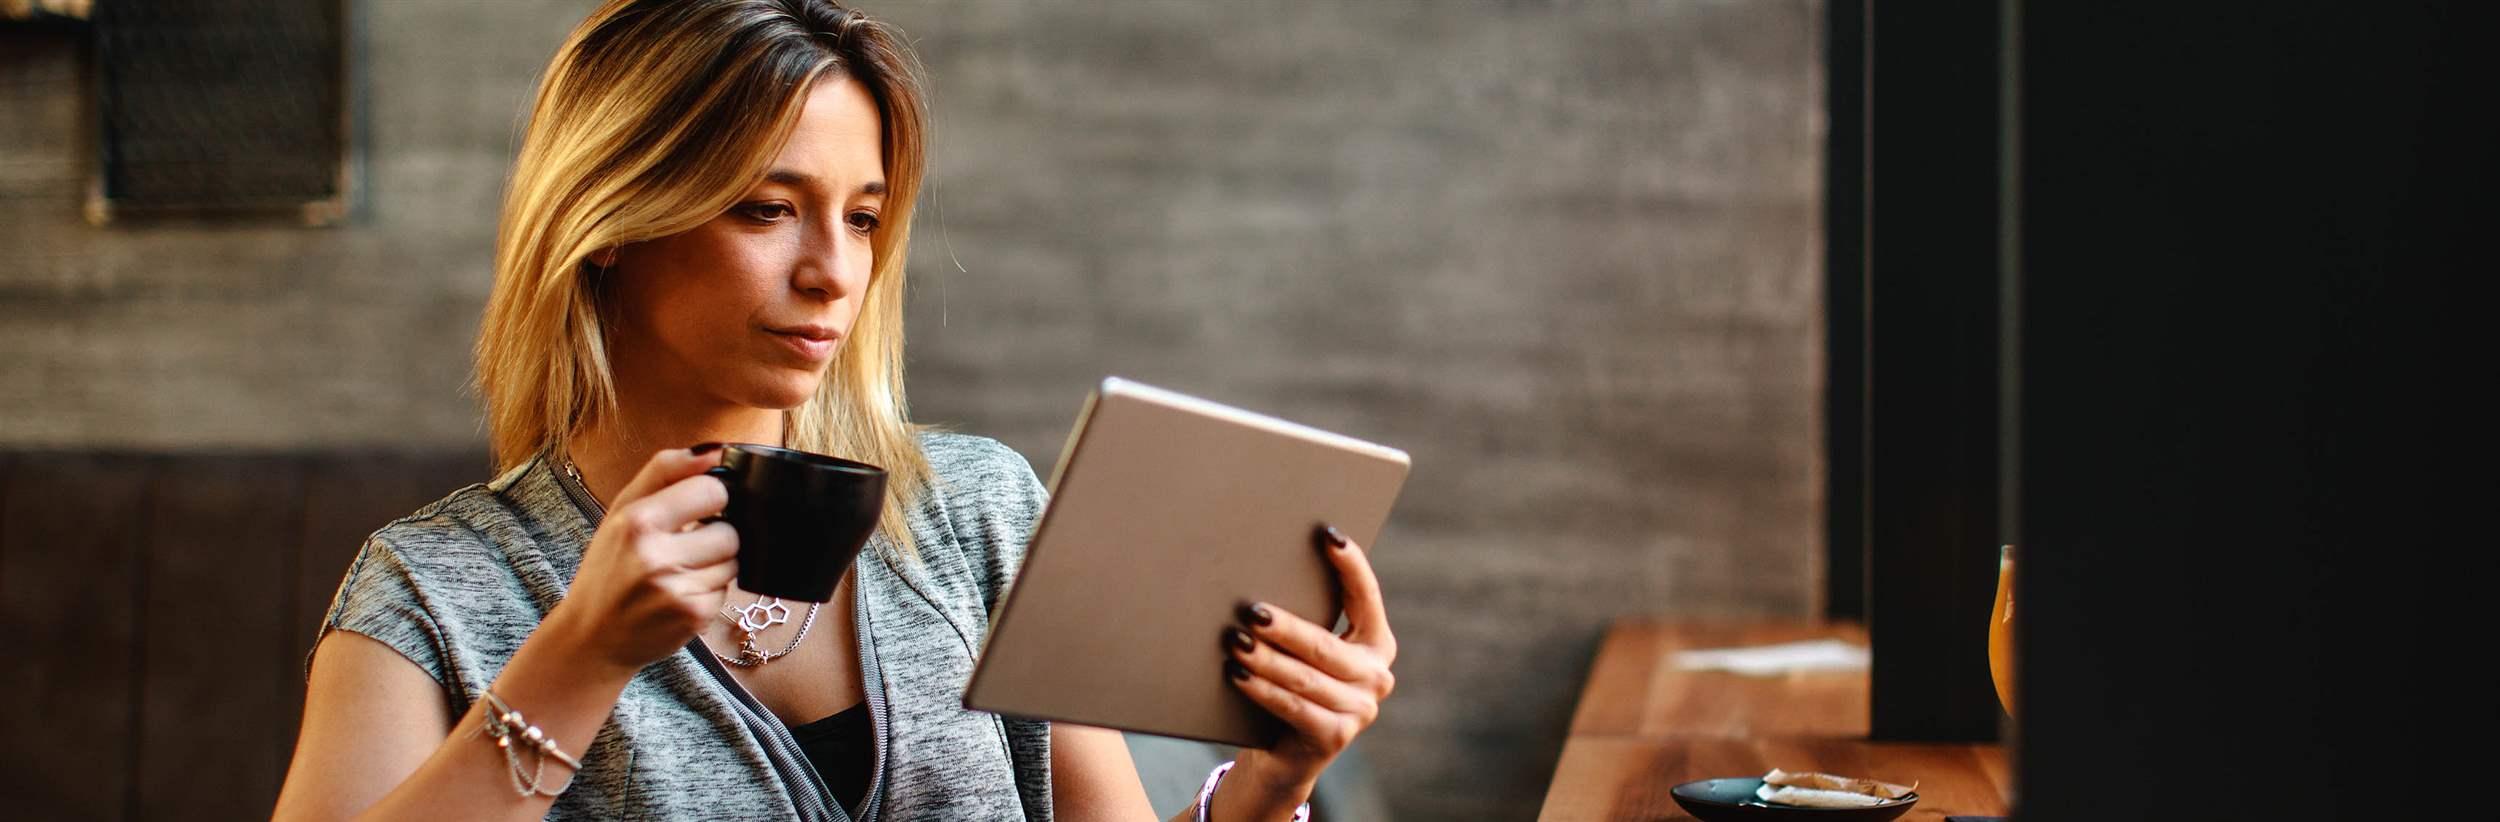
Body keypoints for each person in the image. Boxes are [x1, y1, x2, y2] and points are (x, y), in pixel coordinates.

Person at [267, 1, 1398, 819]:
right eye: (767, 209)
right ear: (609, 222)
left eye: (860, 218)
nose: (833, 273)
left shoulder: (974, 514)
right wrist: (576, 662)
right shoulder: (436, 591)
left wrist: (1272, 783)